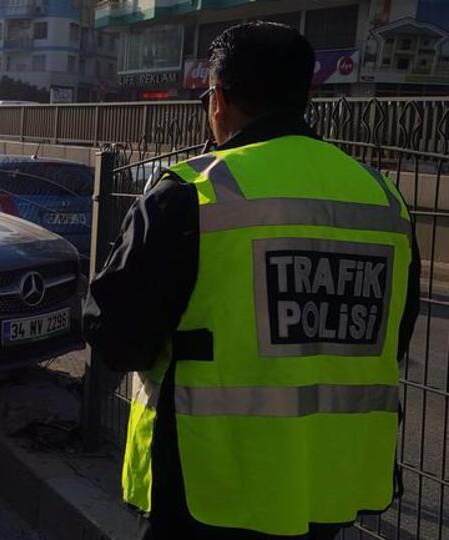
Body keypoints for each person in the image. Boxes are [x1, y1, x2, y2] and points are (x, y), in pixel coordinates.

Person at [84, 22, 420, 540]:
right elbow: (394, 336)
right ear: (306, 95)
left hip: (210, 485)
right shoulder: (383, 199)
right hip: (328, 481)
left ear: (217, 99)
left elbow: (118, 341)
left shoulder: (193, 192)